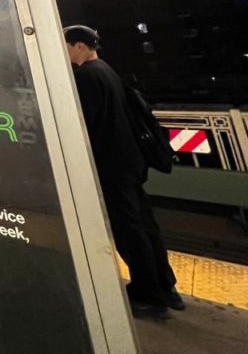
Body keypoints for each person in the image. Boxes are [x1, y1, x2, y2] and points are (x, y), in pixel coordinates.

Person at [64, 25, 182, 318]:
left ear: (79, 46)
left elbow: (83, 125)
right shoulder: (107, 70)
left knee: (128, 230)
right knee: (144, 223)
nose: (63, 51)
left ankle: (148, 295)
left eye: (66, 45)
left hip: (111, 166)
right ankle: (166, 287)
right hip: (130, 162)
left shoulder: (85, 77)